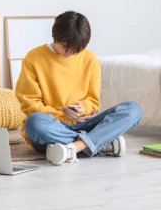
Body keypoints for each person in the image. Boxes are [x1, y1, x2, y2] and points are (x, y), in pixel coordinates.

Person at [15, 11, 142, 165]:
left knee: (133, 109)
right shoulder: (34, 58)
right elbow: (30, 105)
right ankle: (100, 143)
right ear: (54, 36)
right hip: (53, 126)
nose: (69, 53)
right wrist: (64, 115)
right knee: (34, 123)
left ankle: (74, 147)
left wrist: (83, 109)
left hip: (84, 124)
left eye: (76, 50)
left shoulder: (90, 59)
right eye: (64, 47)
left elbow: (93, 102)